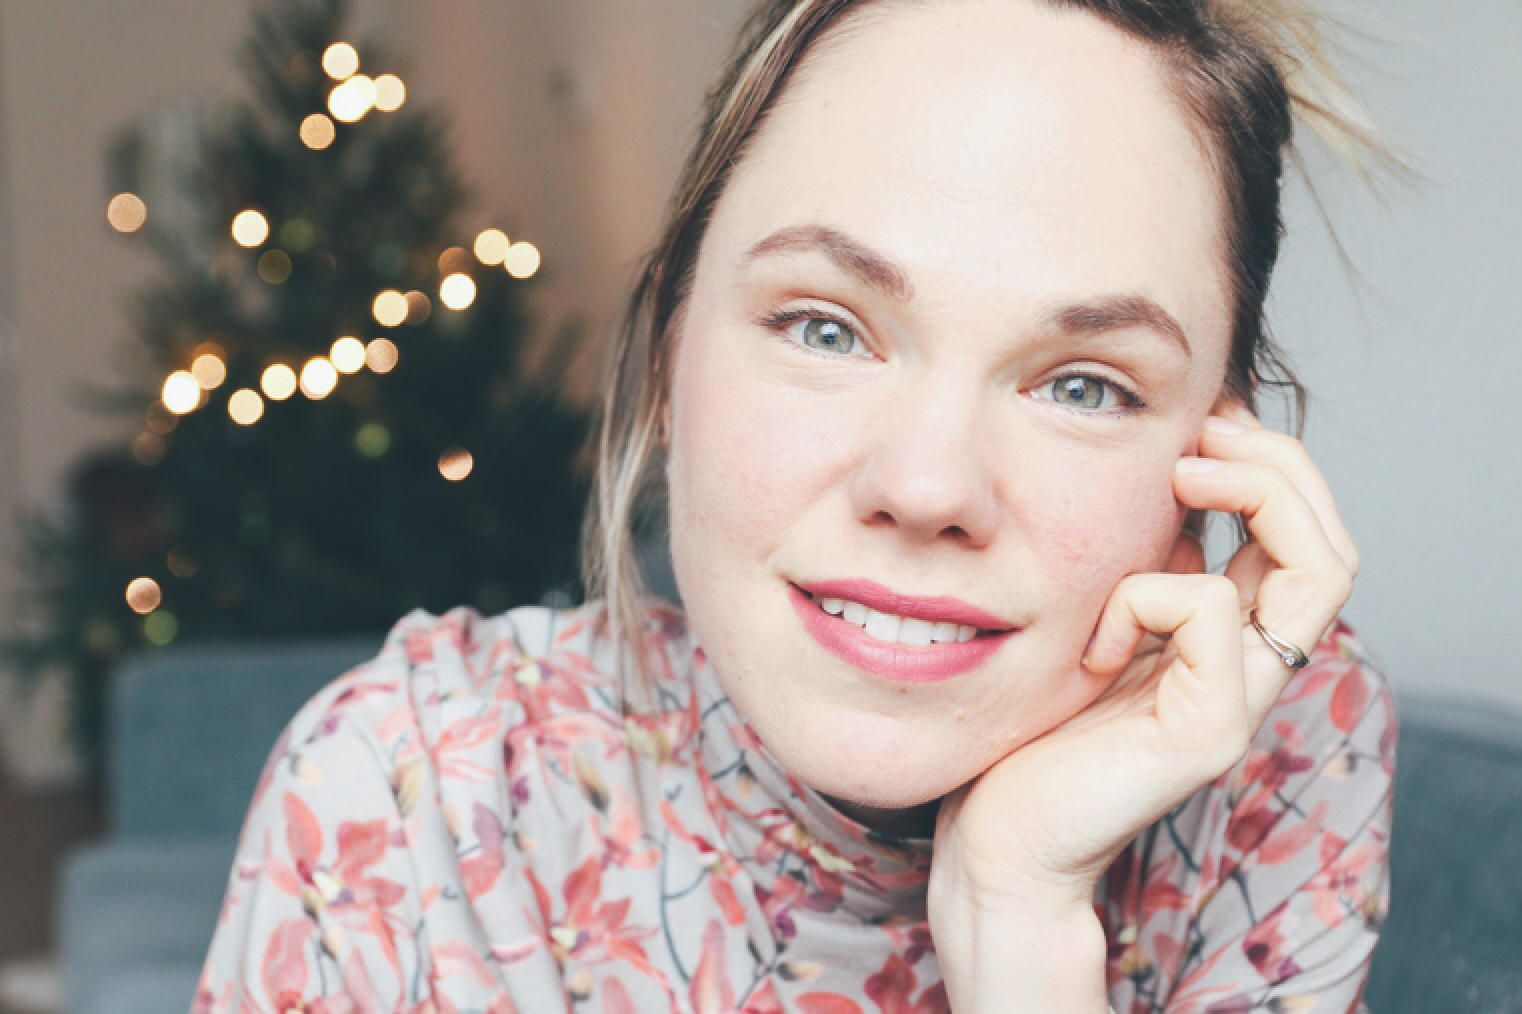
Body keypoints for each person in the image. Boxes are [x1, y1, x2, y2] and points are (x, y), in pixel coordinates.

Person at [196, 0, 1399, 1010]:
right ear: (669, 357)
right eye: (824, 328)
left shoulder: (1282, 758)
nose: (925, 486)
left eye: (1082, 386)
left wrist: (1016, 919)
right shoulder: (408, 795)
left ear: (1215, 455)